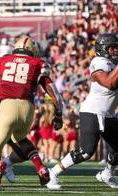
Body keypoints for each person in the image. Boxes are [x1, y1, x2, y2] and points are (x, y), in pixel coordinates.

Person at [0, 37, 63, 190]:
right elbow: (52, 91)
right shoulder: (38, 63)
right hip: (28, 109)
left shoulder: (1, 61)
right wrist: (58, 113)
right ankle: (40, 167)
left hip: (7, 105)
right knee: (20, 138)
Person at [47, 34, 118, 190]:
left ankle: (107, 173)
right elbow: (109, 83)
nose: (115, 51)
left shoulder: (113, 65)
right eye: (112, 48)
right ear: (103, 49)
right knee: (86, 151)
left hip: (109, 114)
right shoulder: (99, 62)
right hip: (93, 112)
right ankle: (53, 172)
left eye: (116, 48)